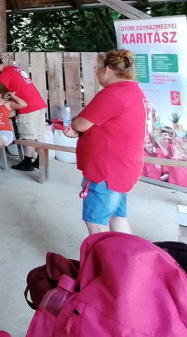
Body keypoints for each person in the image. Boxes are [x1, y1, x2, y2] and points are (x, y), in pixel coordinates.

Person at [58, 50, 149, 235]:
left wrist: (76, 127)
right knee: (117, 216)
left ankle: (103, 255)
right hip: (123, 167)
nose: (96, 72)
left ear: (107, 70)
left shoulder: (113, 94)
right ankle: (126, 254)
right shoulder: (135, 92)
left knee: (96, 223)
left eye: (97, 68)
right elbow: (109, 125)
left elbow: (81, 123)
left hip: (106, 171)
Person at [0, 56, 48, 172]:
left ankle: (27, 162)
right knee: (39, 134)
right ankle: (40, 160)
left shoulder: (4, 74)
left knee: (27, 136)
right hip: (38, 104)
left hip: (27, 107)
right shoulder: (15, 69)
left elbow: (0, 93)